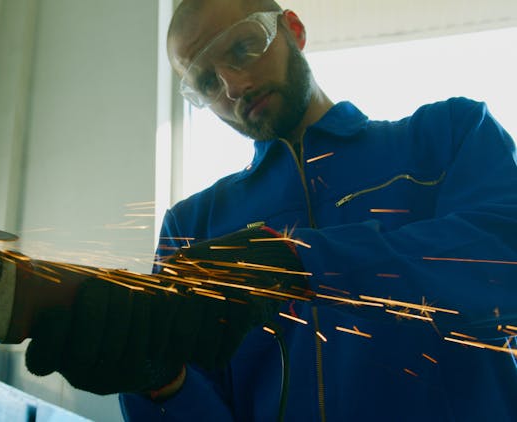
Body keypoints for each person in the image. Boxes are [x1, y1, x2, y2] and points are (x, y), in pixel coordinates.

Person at [25, 0, 517, 420]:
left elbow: (502, 260)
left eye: (242, 48)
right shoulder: (195, 226)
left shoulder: (447, 135)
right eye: (207, 81)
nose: (233, 87)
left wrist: (298, 260)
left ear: (293, 29)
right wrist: (161, 383)